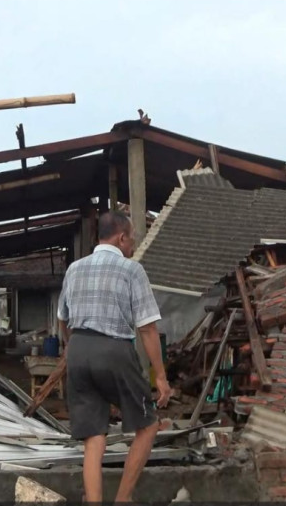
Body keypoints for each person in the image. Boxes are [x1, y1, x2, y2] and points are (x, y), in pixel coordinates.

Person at [56, 210, 172, 503]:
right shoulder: (132, 270)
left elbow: (62, 318)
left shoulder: (74, 269)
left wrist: (72, 347)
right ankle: (123, 499)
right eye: (132, 238)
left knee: (94, 437)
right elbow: (147, 328)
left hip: (79, 351)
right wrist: (160, 375)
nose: (133, 245)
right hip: (114, 350)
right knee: (148, 426)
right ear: (121, 238)